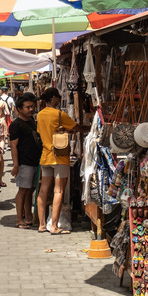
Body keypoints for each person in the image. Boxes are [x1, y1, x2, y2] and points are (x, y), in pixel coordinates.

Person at [36, 87, 89, 234]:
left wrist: (64, 130)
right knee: (58, 190)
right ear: (53, 98)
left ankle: (41, 225)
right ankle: (53, 226)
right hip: (59, 157)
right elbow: (77, 127)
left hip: (45, 156)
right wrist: (89, 128)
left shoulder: (40, 115)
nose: (59, 100)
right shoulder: (59, 114)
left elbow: (47, 132)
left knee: (43, 191)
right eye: (58, 97)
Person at [8, 92, 42, 229]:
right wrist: (16, 165)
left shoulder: (32, 122)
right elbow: (13, 146)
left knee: (30, 190)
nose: (31, 109)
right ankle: (19, 219)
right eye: (28, 107)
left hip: (35, 161)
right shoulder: (16, 125)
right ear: (19, 109)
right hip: (24, 162)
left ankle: (28, 216)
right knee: (22, 190)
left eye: (33, 107)